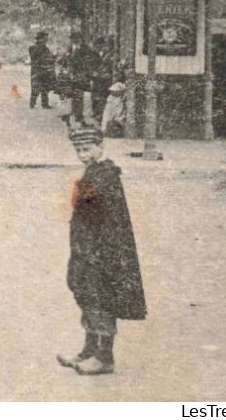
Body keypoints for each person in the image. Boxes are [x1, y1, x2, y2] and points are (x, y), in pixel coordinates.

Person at [58, 119, 146, 375]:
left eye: (87, 150)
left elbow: (107, 219)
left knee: (102, 299)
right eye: (79, 151)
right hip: (86, 248)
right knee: (87, 295)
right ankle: (88, 350)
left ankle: (105, 357)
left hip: (101, 251)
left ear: (101, 146)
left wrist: (99, 251)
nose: (83, 156)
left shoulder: (106, 176)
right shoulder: (94, 173)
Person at [29, 31, 56, 110]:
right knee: (35, 87)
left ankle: (45, 104)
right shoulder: (32, 47)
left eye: (46, 38)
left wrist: (54, 56)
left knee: (45, 87)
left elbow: (49, 58)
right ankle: (32, 104)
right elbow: (34, 57)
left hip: (45, 70)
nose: (46, 39)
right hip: (36, 70)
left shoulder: (46, 48)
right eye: (45, 38)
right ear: (40, 39)